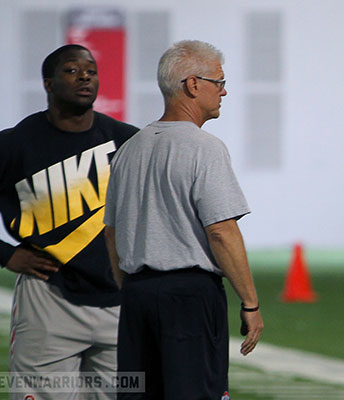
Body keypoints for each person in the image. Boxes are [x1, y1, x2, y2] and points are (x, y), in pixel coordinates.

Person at [0, 44, 138, 399]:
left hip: (120, 302)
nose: (85, 77)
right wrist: (3, 253)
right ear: (48, 83)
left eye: (91, 71)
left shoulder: (127, 142)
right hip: (48, 299)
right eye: (72, 70)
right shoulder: (14, 145)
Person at [103, 40, 263, 398]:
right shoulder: (204, 148)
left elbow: (111, 235)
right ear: (193, 85)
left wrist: (129, 289)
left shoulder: (129, 149)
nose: (224, 92)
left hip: (136, 295)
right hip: (189, 299)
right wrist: (250, 302)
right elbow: (221, 231)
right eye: (218, 82)